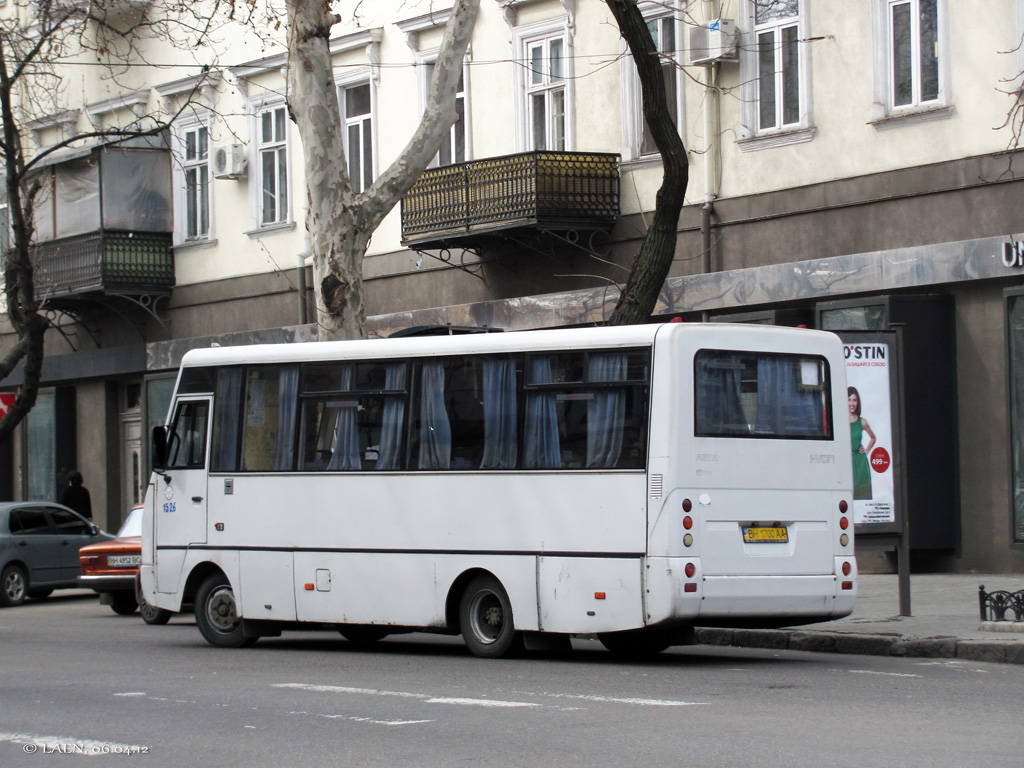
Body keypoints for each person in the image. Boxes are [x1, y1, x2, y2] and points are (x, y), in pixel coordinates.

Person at [848, 387, 876, 500]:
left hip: (860, 465)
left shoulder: (862, 422)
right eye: (849, 399)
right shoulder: (839, 420)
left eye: (854, 400)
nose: (852, 403)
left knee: (862, 498)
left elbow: (873, 437)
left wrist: (867, 450)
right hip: (847, 462)